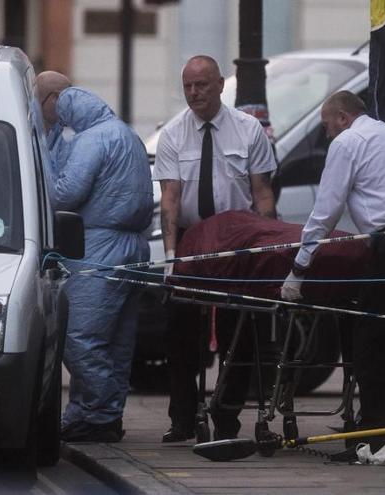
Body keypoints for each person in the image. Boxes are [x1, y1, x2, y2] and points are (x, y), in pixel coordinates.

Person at [280, 91, 385, 452]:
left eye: (327, 126)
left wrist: (299, 269)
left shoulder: (347, 142)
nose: (328, 135)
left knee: (371, 343)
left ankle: (373, 439)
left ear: (343, 118)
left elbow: (326, 211)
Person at [153, 55, 277, 443]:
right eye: (188, 86)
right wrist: (172, 260)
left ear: (221, 84)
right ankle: (183, 418)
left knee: (236, 333)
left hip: (237, 239)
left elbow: (262, 195)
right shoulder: (174, 133)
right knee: (181, 333)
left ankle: (226, 418)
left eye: (202, 85)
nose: (194, 93)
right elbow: (170, 200)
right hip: (191, 238)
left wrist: (266, 250)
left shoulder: (248, 130)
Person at [46, 86, 154, 442]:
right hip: (135, 249)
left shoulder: (91, 140)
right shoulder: (129, 135)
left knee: (79, 336)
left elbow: (66, 194)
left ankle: (98, 412)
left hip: (98, 247)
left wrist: (47, 169)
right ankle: (96, 414)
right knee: (117, 341)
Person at [35, 71, 73, 170]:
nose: (70, 105)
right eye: (67, 99)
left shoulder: (62, 134)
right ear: (54, 98)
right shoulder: (22, 135)